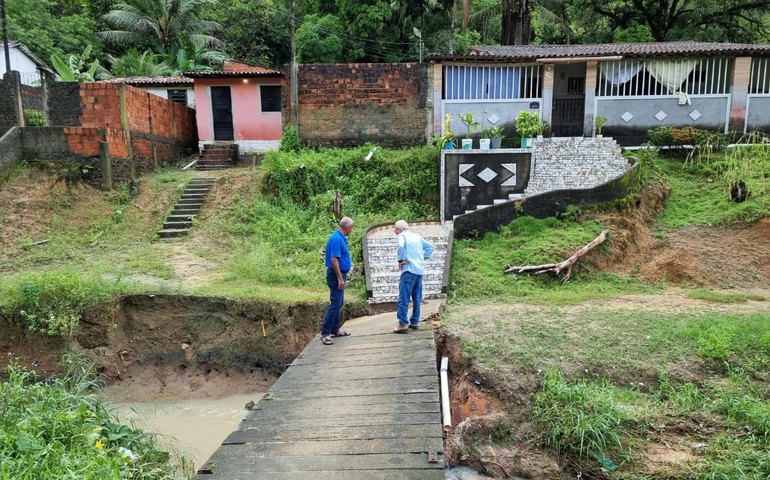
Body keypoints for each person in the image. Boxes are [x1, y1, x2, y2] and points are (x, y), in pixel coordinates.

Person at [392, 220, 434, 333]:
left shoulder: (402, 236)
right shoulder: (417, 237)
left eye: (395, 229)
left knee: (403, 299)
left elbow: (400, 246)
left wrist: (400, 259)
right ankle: (415, 322)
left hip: (409, 271)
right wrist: (422, 258)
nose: (394, 231)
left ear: (400, 229)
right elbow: (430, 247)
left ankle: (403, 324)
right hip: (419, 272)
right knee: (417, 298)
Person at [320, 217, 354, 345]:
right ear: (346, 228)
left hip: (340, 274)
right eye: (351, 227)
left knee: (338, 303)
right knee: (335, 304)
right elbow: (334, 259)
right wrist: (340, 278)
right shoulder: (336, 239)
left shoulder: (340, 238)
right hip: (335, 275)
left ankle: (335, 329)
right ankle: (325, 333)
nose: (352, 230)